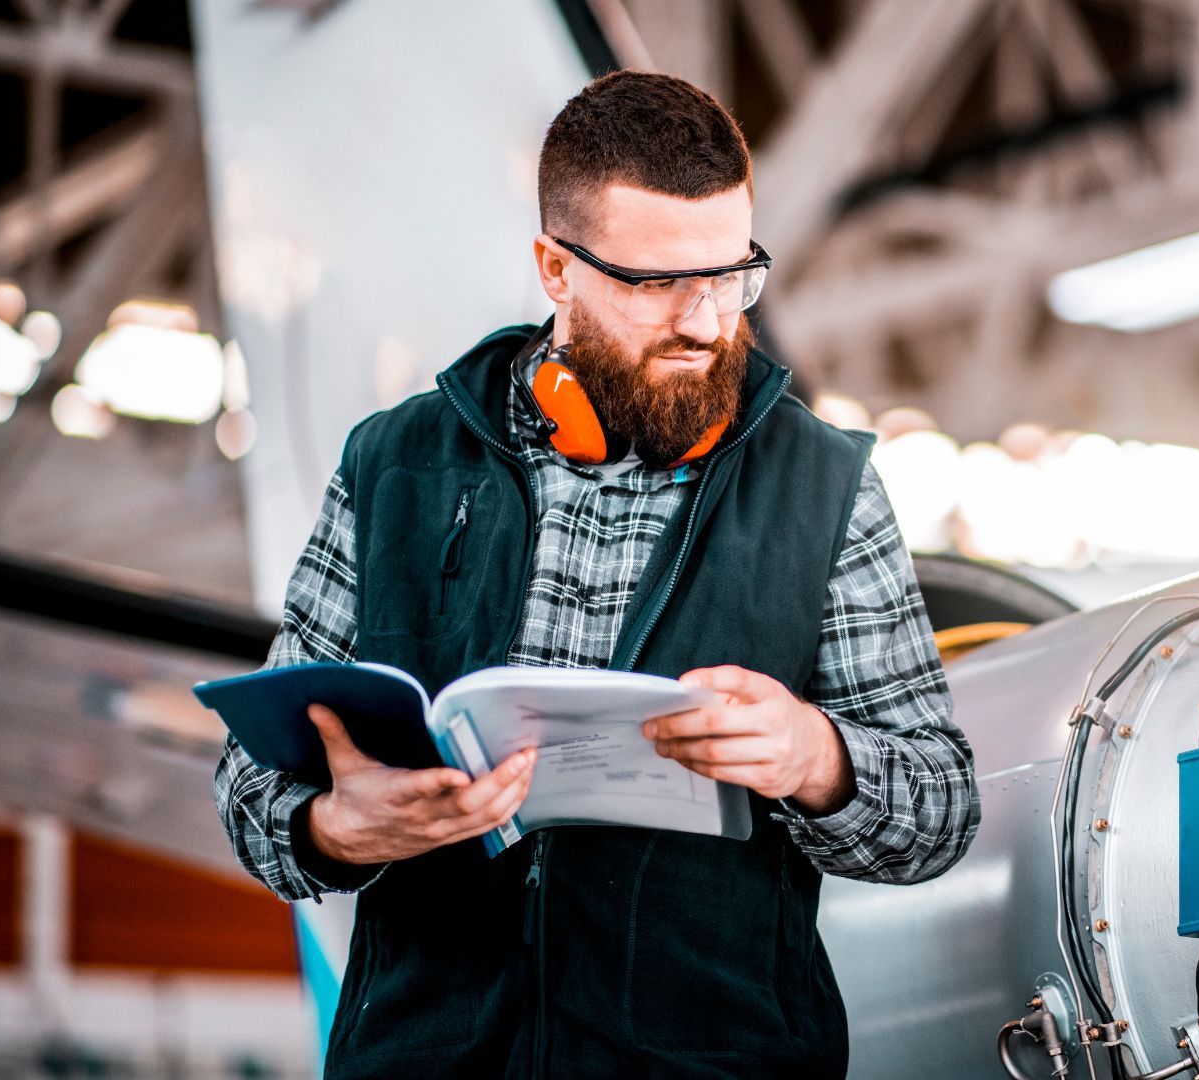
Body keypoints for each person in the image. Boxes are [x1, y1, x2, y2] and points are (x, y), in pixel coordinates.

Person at [213, 70, 980, 1078]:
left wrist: (814, 758)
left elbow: (942, 811)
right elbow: (246, 789)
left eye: (730, 274)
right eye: (655, 284)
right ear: (555, 268)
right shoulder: (393, 466)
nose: (705, 322)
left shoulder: (826, 489)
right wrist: (334, 829)